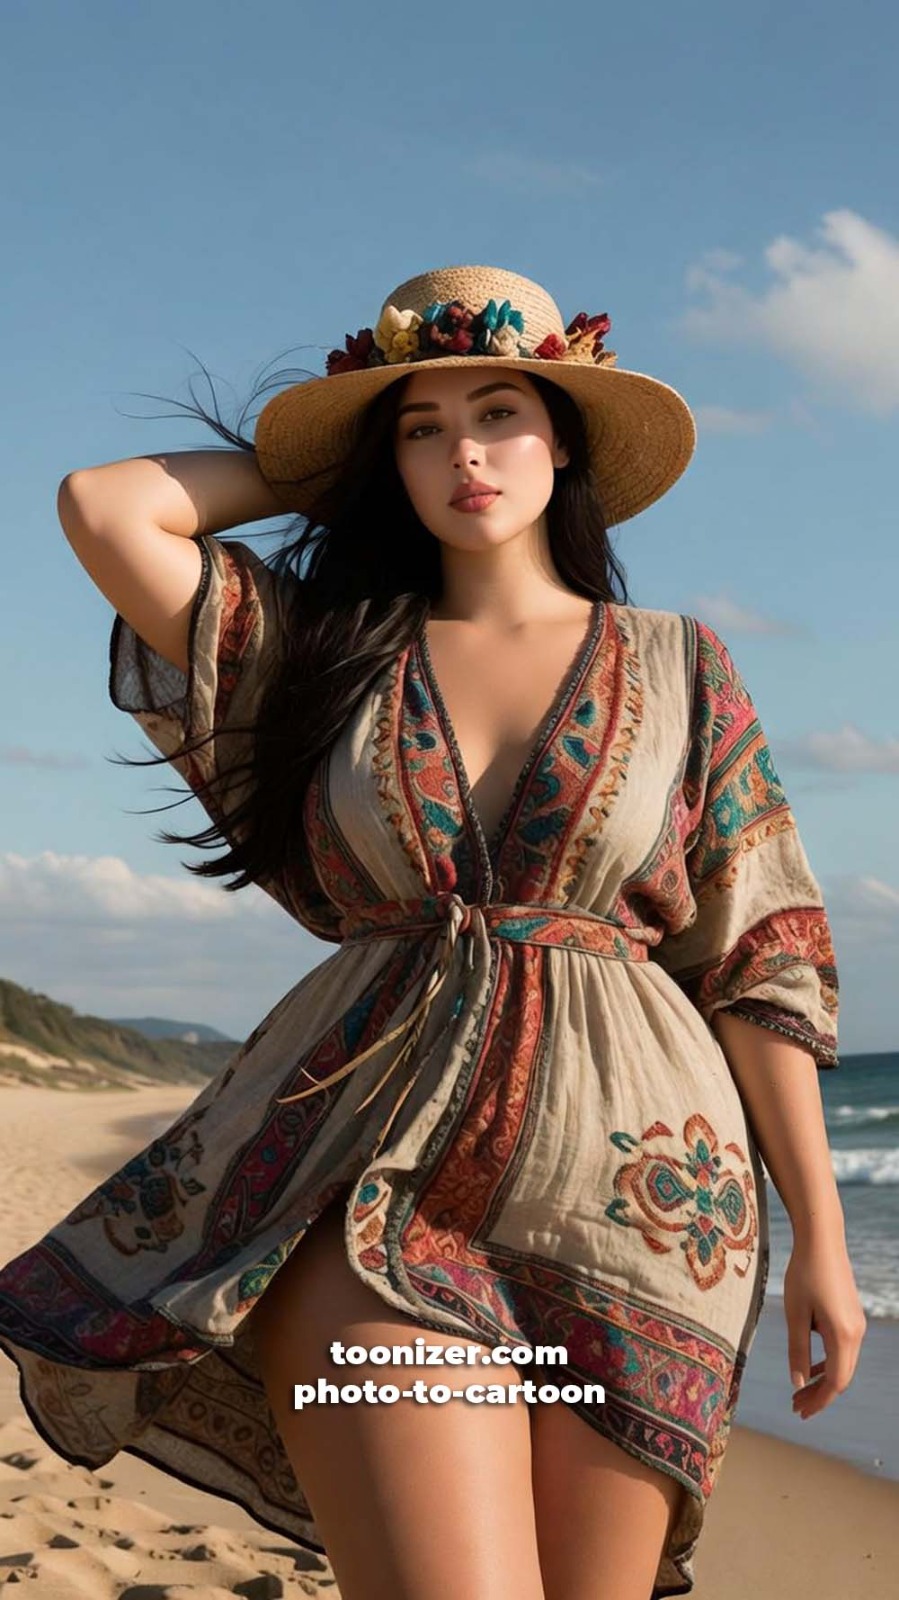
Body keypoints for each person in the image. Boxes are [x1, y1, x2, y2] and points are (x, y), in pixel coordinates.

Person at [0, 263, 866, 1600]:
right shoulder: (322, 650)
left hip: (645, 1206)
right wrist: (327, 468)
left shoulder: (686, 663)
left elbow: (762, 958)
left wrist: (822, 1234)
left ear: (562, 436)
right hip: (368, 1181)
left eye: (503, 410)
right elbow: (106, 507)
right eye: (420, 424)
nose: (465, 451)